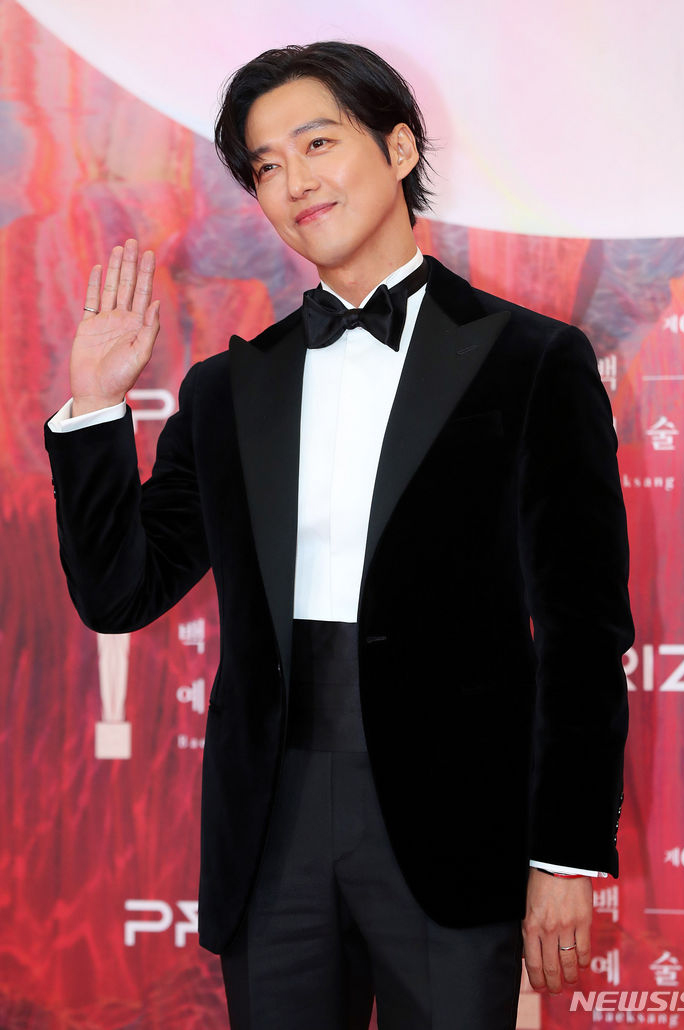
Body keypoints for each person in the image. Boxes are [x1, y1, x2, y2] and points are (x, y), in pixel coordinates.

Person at [45, 41, 633, 1030]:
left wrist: (564, 853)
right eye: (266, 166)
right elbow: (119, 590)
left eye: (317, 143)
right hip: (271, 823)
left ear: (399, 148)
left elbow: (582, 630)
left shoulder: (532, 360)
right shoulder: (228, 389)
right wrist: (97, 406)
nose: (294, 181)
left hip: (457, 823)